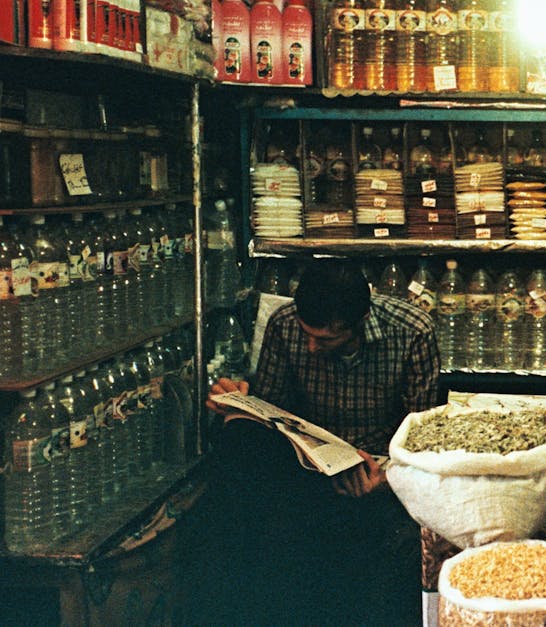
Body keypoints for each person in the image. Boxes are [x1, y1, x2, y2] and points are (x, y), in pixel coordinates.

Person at [179, 260, 441, 626]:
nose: (311, 347)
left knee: (391, 552)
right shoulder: (285, 323)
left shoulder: (412, 332)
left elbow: (424, 434)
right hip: (306, 466)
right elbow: (271, 412)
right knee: (237, 460)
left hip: (378, 472)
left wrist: (388, 481)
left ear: (361, 320)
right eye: (307, 335)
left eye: (326, 339)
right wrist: (237, 401)